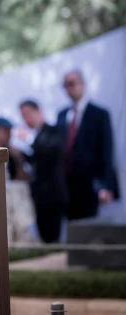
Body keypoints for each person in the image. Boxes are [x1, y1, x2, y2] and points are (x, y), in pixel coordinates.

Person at [56, 70, 115, 220]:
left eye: (71, 84)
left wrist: (105, 185)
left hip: (90, 184)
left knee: (89, 227)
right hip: (67, 186)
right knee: (72, 227)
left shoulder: (99, 114)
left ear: (82, 84)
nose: (68, 89)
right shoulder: (62, 115)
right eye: (65, 85)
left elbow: (107, 152)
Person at [19, 100, 68, 243]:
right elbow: (36, 160)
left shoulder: (54, 130)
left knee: (54, 238)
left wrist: (28, 139)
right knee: (44, 238)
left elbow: (50, 151)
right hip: (39, 196)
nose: (26, 119)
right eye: (23, 116)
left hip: (52, 195)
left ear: (39, 111)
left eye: (28, 114)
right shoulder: (37, 136)